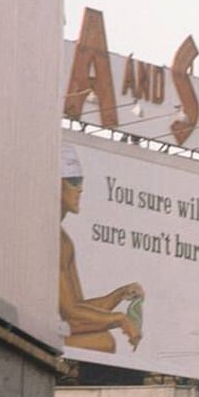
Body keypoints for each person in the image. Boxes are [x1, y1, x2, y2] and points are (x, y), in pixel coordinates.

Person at [58, 146, 143, 353]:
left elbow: (78, 308)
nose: (80, 189)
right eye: (74, 182)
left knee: (102, 340)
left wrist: (120, 295)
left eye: (81, 182)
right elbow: (73, 316)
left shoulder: (65, 241)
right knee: (104, 341)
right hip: (23, 329)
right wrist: (118, 319)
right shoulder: (47, 235)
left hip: (51, 329)